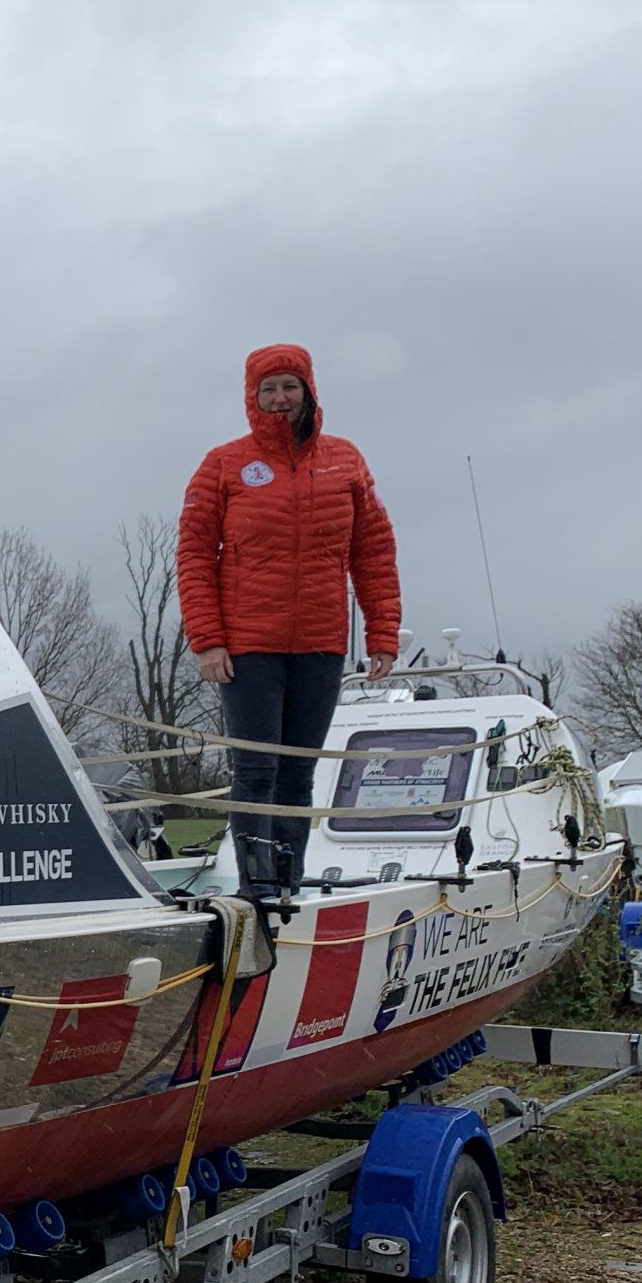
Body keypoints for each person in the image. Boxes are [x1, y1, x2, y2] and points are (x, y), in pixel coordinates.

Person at [176, 342, 400, 898]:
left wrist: (382, 633)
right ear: (252, 398)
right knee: (256, 772)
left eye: (289, 386)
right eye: (268, 389)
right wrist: (207, 640)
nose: (280, 398)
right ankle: (257, 888)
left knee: (299, 774)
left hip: (321, 645)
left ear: (308, 391)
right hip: (248, 647)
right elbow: (195, 553)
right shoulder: (223, 464)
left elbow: (372, 551)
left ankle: (288, 883)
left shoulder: (345, 460)